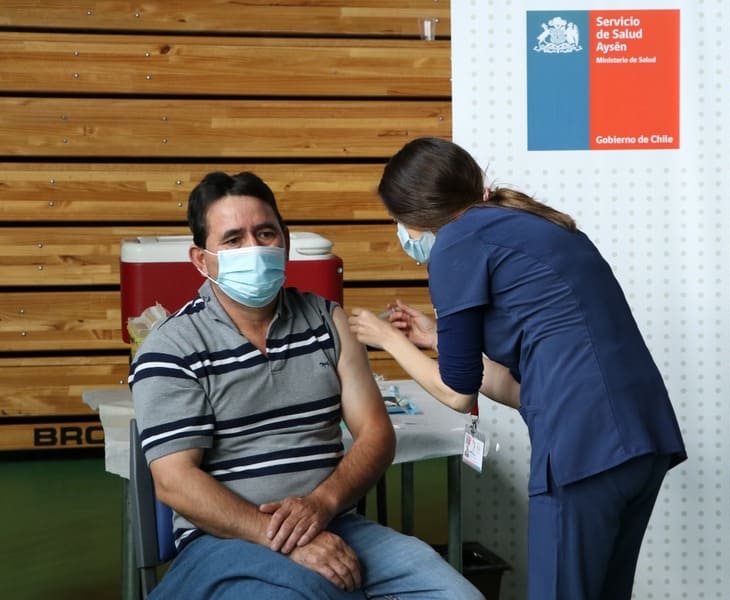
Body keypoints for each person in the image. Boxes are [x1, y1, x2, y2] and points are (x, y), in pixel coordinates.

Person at [347, 137, 688, 600]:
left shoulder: (456, 242)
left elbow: (458, 393)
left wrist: (388, 340)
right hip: (641, 437)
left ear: (416, 214)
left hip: (584, 447)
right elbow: (528, 385)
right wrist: (439, 339)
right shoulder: (534, 225)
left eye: (397, 221)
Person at [129, 171, 483, 600]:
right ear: (201, 260)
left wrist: (322, 504)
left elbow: (376, 433)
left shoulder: (327, 321)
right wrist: (282, 537)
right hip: (225, 539)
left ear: (286, 240)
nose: (254, 249)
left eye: (265, 233)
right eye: (234, 240)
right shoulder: (171, 347)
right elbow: (174, 481)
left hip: (335, 522)